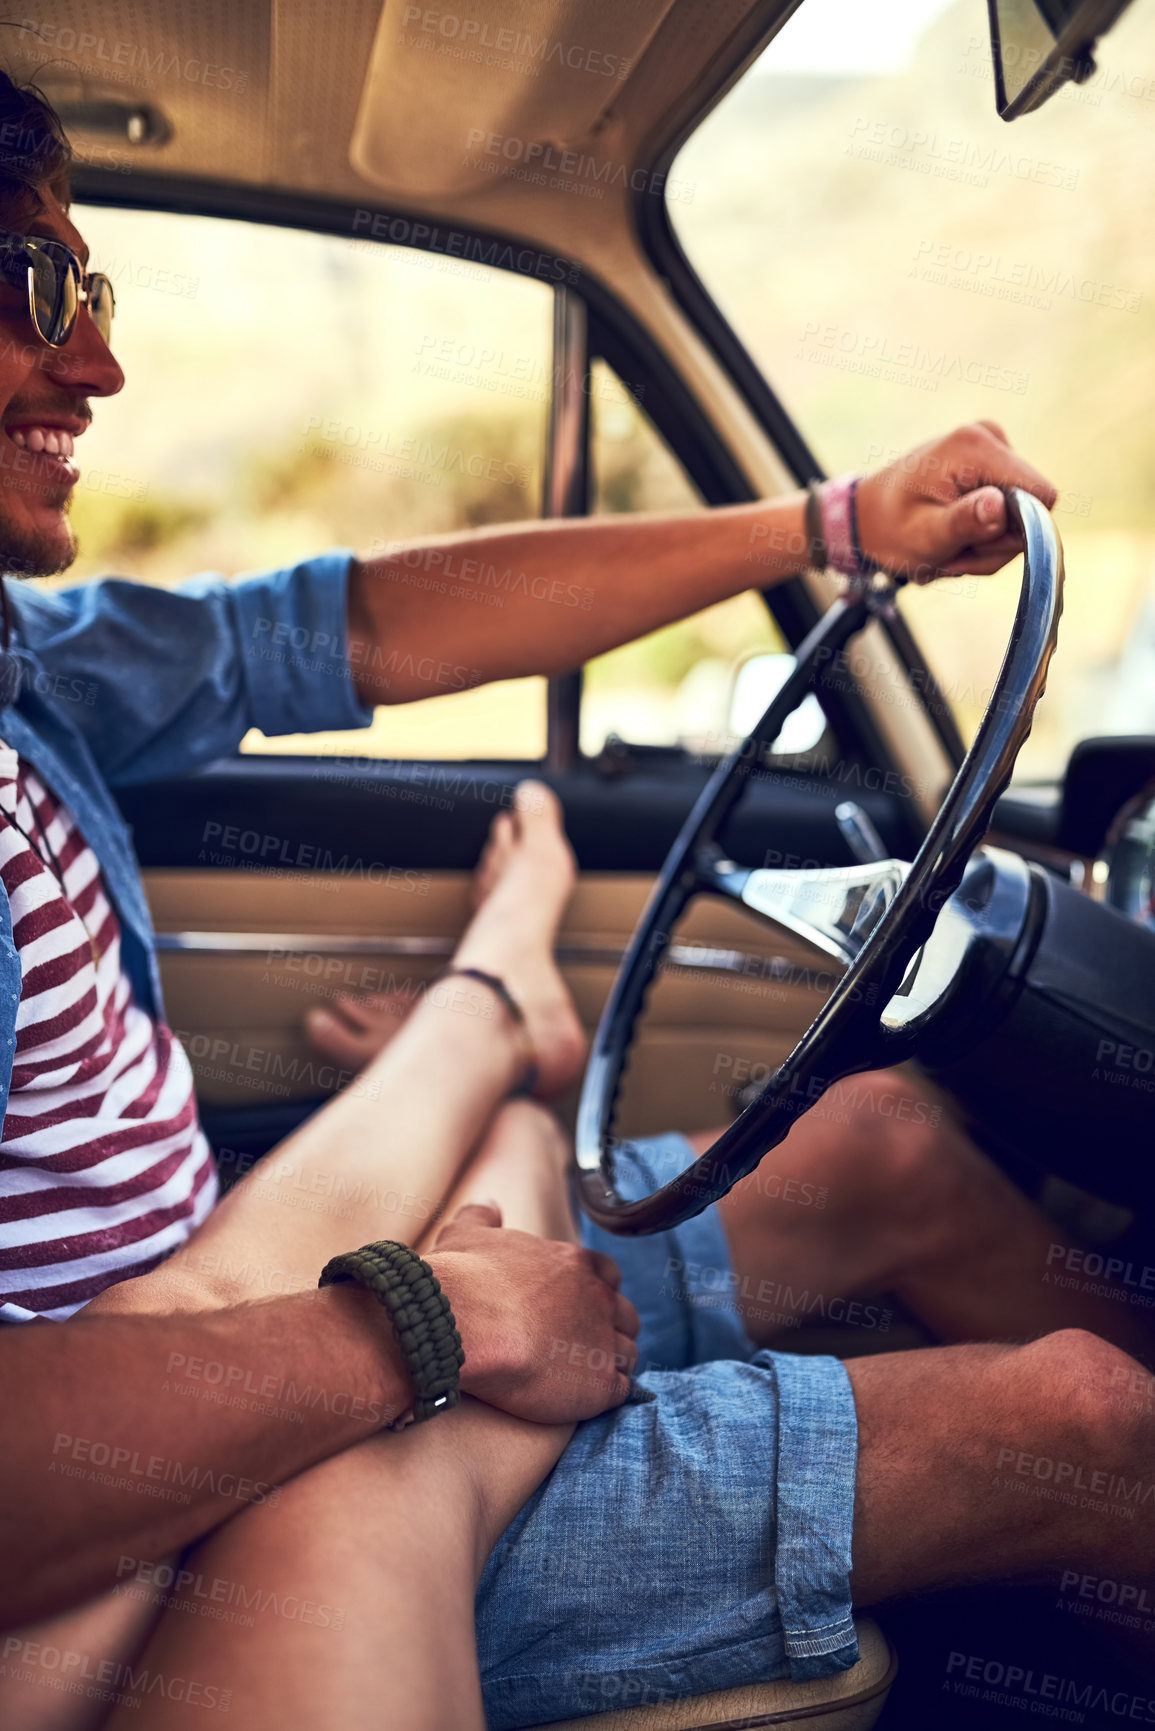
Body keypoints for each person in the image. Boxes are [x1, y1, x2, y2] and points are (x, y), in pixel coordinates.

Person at [0, 63, 1152, 1731]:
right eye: (37, 287)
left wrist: (825, 527)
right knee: (1082, 1420)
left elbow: (356, 628)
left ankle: (499, 1054)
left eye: (87, 287)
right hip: (188, 1508)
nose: (98, 358)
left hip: (246, 1318)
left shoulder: (27, 662)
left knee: (884, 1136)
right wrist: (421, 1323)